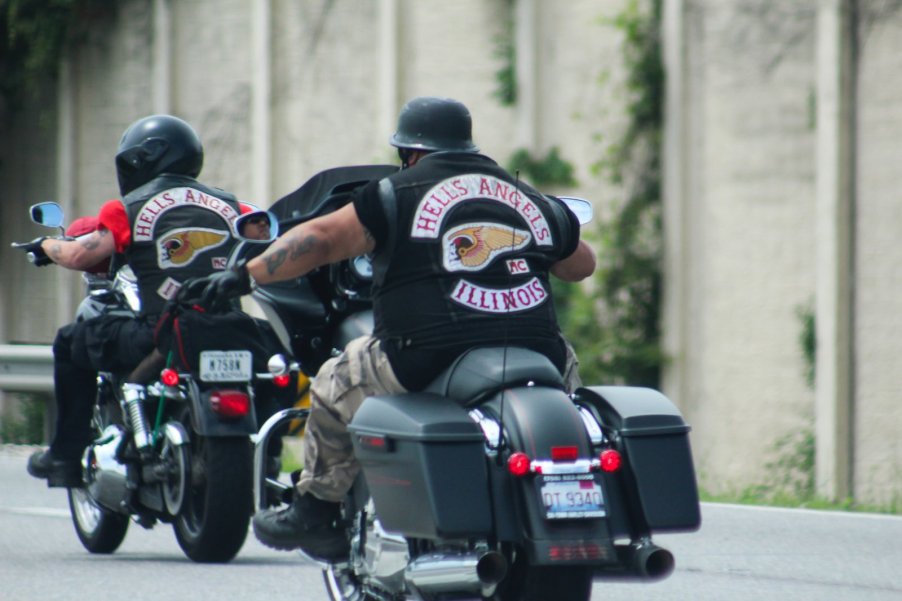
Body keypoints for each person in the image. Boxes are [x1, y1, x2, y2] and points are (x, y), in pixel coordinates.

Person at [200, 96, 596, 561]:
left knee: (333, 381)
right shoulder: (526, 196)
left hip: (428, 349)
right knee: (571, 385)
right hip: (538, 350)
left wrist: (246, 274)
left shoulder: (395, 192)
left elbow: (322, 239)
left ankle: (315, 509)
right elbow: (581, 266)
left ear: (409, 152)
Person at [26, 114, 250, 487]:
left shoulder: (126, 208)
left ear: (137, 162)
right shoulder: (231, 205)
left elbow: (82, 255)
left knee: (70, 341)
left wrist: (48, 245)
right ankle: (273, 458)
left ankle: (66, 455)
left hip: (160, 332)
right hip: (230, 329)